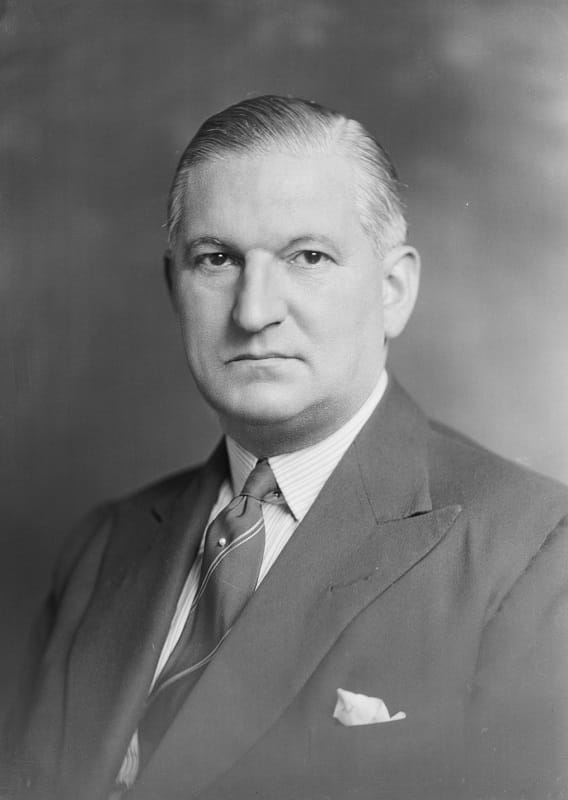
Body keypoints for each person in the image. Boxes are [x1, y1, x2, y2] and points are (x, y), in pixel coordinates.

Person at [2, 95, 568, 800]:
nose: (253, 310)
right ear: (175, 289)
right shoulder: (102, 549)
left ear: (393, 290)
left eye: (307, 256)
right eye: (216, 259)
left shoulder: (536, 550)